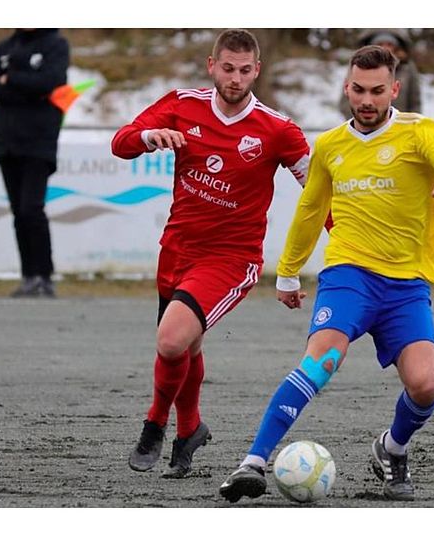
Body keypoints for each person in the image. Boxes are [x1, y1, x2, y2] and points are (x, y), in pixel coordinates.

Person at [218, 45, 434, 503]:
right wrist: (289, 272)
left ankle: (391, 449)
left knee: (426, 385)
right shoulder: (332, 145)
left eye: (378, 91)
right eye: (359, 90)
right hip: (348, 274)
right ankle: (252, 462)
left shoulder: (421, 133)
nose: (367, 100)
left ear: (394, 89)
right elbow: (311, 209)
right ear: (346, 87)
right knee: (321, 361)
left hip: (407, 285)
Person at [110, 29, 310, 479]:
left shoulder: (277, 130)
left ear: (256, 70)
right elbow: (121, 141)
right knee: (185, 345)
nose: (235, 79)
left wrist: (344, 243)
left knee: (170, 339)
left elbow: (319, 195)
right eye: (227, 68)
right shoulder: (182, 105)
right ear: (211, 65)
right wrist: (150, 136)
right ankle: (191, 430)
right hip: (177, 249)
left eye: (244, 71)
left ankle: (154, 424)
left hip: (231, 259)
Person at [0, 29, 69, 298]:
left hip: (39, 141)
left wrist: (10, 79)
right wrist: (26, 88)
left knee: (31, 208)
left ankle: (44, 276)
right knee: (18, 212)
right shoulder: (5, 47)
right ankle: (28, 276)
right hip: (7, 141)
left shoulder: (55, 44)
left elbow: (51, 82)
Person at [338, 29, 421, 117]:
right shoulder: (358, 67)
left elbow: (415, 101)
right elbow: (345, 101)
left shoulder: (407, 68)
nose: (385, 47)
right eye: (380, 44)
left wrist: (410, 123)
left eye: (389, 44)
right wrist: (360, 121)